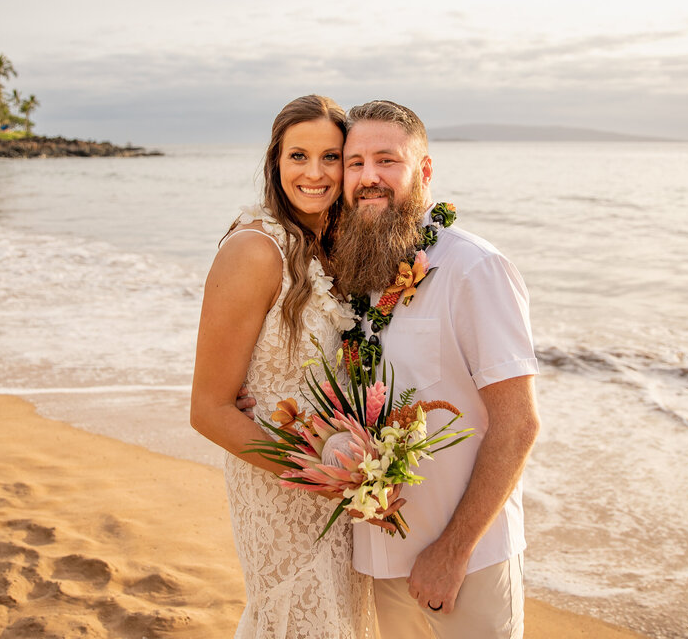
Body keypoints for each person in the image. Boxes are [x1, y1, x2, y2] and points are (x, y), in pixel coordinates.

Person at [336, 100, 540, 639]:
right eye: (354, 163)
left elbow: (518, 423)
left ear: (424, 171)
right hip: (380, 559)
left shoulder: (475, 268)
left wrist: (452, 551)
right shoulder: (357, 272)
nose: (368, 177)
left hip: (463, 564)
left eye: (387, 160)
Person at [190, 94, 374, 639]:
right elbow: (208, 409)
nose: (314, 173)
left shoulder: (338, 249)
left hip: (341, 482)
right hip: (280, 484)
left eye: (331, 157)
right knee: (296, 617)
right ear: (275, 162)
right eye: (298, 156)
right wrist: (315, 474)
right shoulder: (254, 250)